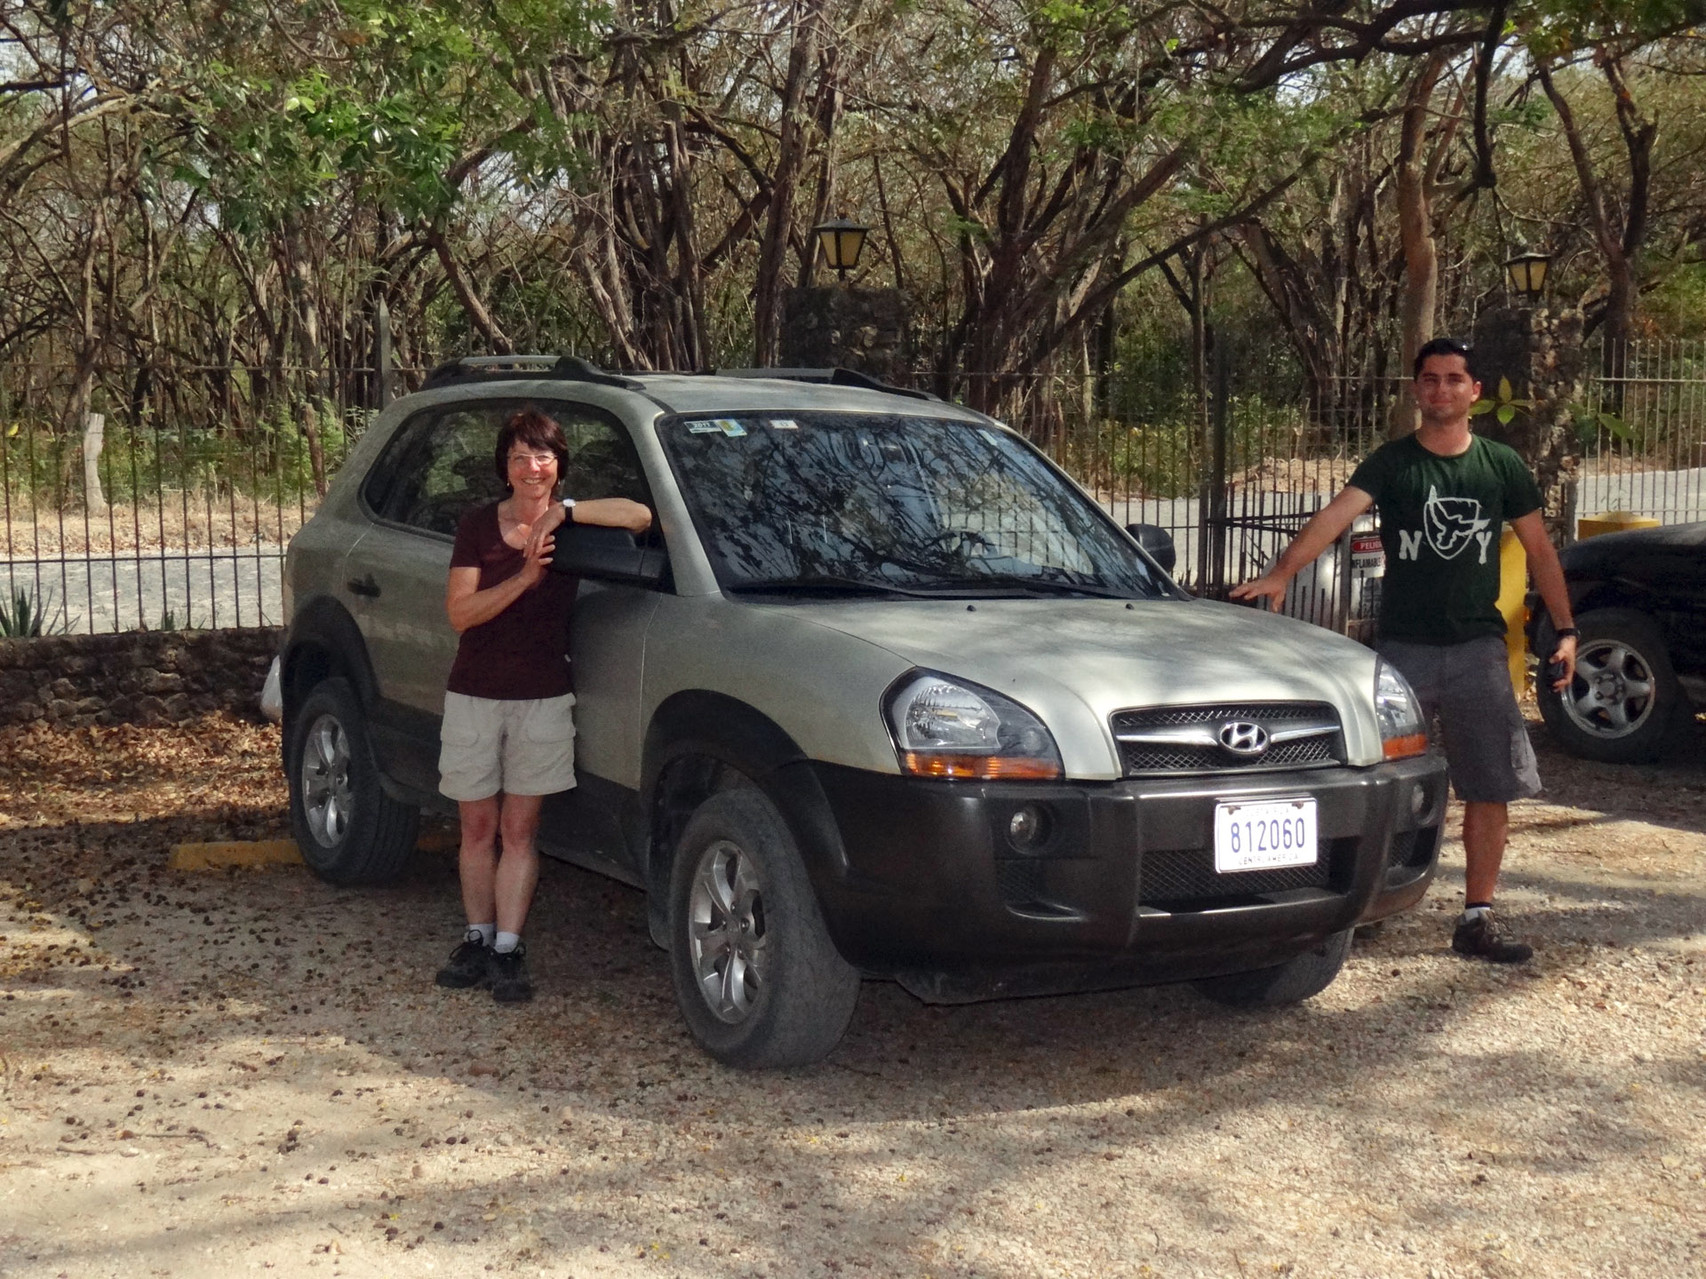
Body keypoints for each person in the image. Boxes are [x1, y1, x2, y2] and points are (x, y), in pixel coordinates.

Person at [1232, 336, 1577, 963]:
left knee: (1488, 786)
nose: (1441, 390)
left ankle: (1478, 918)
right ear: (1416, 389)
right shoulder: (1392, 463)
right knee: (1382, 780)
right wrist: (1282, 573)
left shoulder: (1500, 465)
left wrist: (1568, 629)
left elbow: (1541, 550)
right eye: (1430, 379)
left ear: (1473, 391)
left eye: (1454, 379)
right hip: (1402, 652)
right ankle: (1367, 904)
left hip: (1477, 651)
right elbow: (1335, 518)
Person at [433, 407, 652, 1001]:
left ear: (558, 466)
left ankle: (509, 946)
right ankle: (476, 937)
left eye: (544, 457)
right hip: (476, 694)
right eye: (520, 457)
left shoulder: (570, 524)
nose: (533, 467)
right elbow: (461, 613)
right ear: (504, 467)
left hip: (543, 697)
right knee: (477, 827)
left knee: (520, 829)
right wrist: (524, 580)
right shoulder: (479, 526)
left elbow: (641, 516)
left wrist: (566, 512)